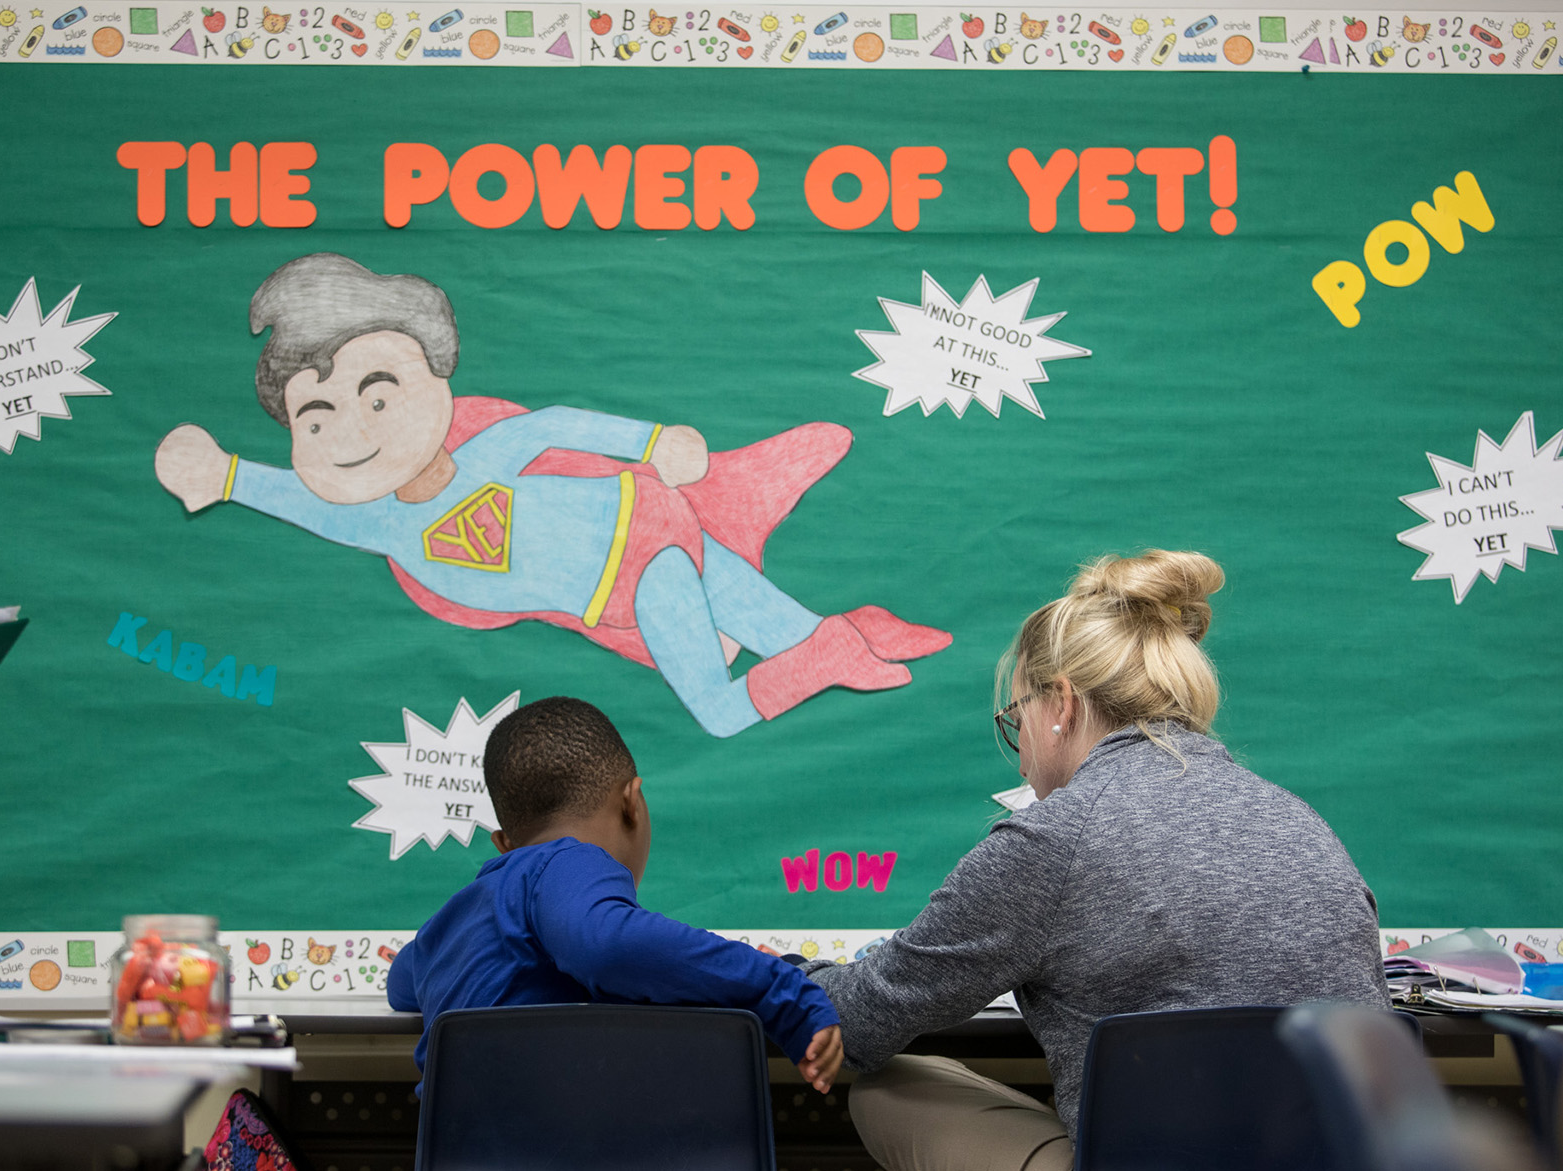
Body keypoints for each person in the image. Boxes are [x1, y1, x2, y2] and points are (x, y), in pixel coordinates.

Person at [152, 253, 949, 738]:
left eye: (379, 393)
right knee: (784, 629)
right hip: (640, 560)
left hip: (642, 562)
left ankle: (835, 653)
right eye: (314, 418)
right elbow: (306, 500)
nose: (351, 430)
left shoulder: (483, 454)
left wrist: (652, 442)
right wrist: (224, 476)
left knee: (717, 709)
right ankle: (852, 634)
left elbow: (554, 424)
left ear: (435, 377)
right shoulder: (386, 528)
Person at [802, 550, 1387, 1171]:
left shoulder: (1053, 840)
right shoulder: (1301, 821)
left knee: (889, 1089)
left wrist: (774, 975)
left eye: (1016, 719)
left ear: (1062, 704)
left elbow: (860, 1024)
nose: (1021, 756)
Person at [385, 695, 845, 1091]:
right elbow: (607, 945)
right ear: (632, 802)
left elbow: (400, 984)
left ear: (504, 844)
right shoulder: (565, 861)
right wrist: (783, 989)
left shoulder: (459, 918)